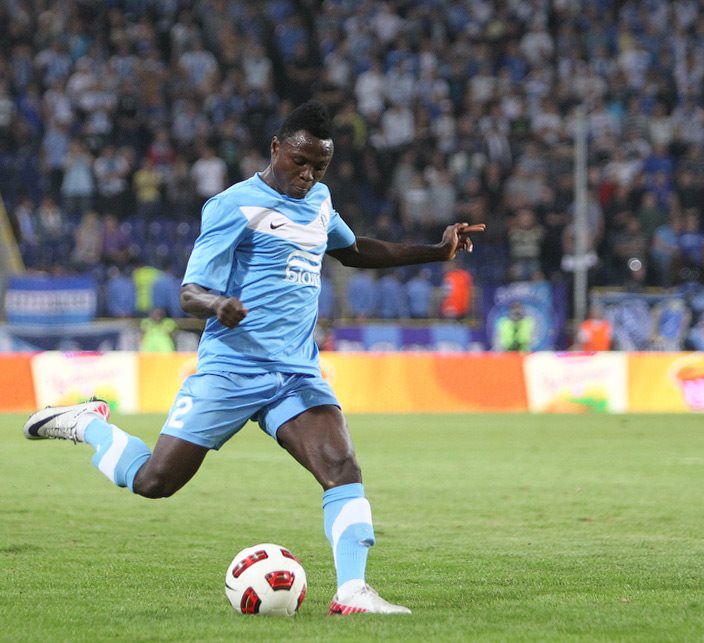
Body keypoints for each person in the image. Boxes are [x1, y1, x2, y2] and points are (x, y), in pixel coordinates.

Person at [23, 100, 485, 616]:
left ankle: (352, 591)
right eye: (300, 162)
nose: (308, 175)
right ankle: (89, 424)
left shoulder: (320, 200)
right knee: (154, 482)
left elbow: (353, 251)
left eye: (319, 167)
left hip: (295, 372)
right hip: (232, 368)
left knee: (341, 466)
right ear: (276, 148)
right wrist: (218, 304)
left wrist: (435, 251)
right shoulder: (233, 205)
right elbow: (190, 292)